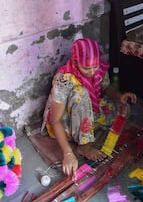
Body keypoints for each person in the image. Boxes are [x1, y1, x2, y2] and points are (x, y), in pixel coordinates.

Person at [41, 38, 137, 179]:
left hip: (86, 110)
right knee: (81, 93)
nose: (92, 71)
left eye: (95, 66)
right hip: (65, 121)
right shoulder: (64, 79)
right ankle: (83, 144)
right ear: (75, 62)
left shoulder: (98, 68)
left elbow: (105, 88)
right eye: (86, 68)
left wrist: (119, 96)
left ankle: (87, 127)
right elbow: (55, 120)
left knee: (123, 109)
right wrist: (67, 153)